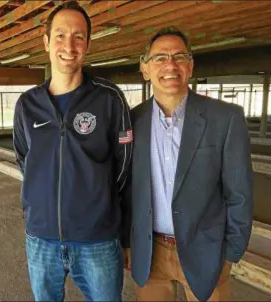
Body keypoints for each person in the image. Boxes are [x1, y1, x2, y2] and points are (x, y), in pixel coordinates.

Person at [13, 1, 133, 301]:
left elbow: (123, 168)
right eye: (60, 35)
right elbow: (25, 161)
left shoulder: (109, 99)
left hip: (97, 239)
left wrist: (98, 203)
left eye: (79, 36)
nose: (69, 45)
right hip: (41, 238)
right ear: (46, 42)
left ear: (88, 44)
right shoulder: (27, 105)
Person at [123, 26, 253, 301]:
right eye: (160, 58)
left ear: (190, 66)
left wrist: (231, 254)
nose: (170, 65)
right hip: (150, 253)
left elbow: (239, 193)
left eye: (179, 57)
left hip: (207, 250)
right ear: (144, 69)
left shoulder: (225, 118)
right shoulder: (130, 121)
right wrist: (126, 242)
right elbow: (125, 189)